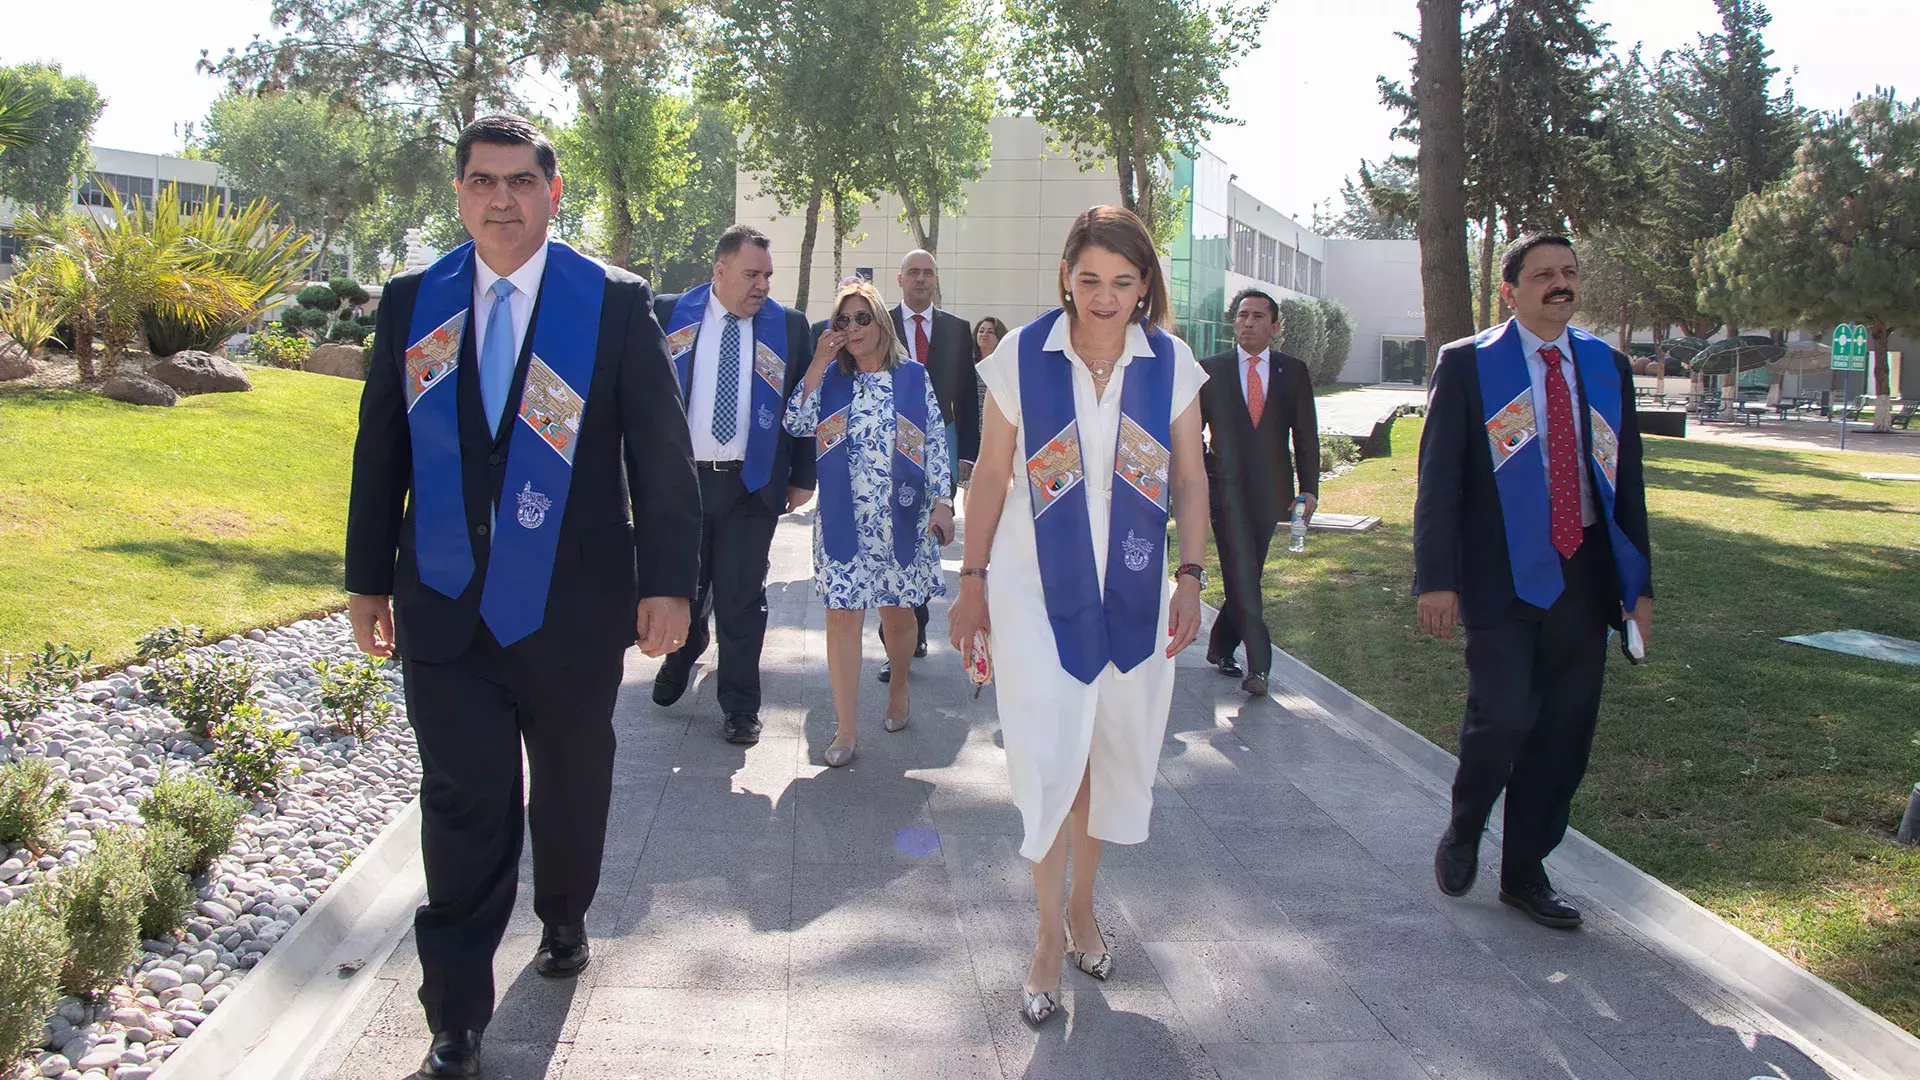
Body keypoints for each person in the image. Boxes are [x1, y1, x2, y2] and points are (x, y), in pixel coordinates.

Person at [345, 115, 699, 1079]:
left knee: (573, 783)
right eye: (480, 182)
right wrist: (366, 577)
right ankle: (456, 1011)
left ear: (551, 191)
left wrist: (670, 587)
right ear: (459, 194)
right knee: (462, 796)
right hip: (447, 604)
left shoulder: (611, 304)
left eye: (518, 182)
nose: (499, 199)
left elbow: (661, 461)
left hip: (572, 607)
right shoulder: (416, 300)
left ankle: (565, 910)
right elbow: (381, 444)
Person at [947, 206, 1209, 1026]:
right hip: (1035, 592)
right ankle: (1044, 939)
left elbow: (1193, 479)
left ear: (1144, 288)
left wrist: (1193, 575)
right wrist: (972, 581)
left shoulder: (1172, 364)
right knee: (1048, 756)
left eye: (1123, 282)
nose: (1103, 297)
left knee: (1101, 756)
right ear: (1067, 275)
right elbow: (990, 477)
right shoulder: (1021, 357)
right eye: (1089, 279)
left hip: (1132, 593)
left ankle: (1083, 907)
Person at [1416, 233, 1654, 930]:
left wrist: (1638, 590)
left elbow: (1629, 482)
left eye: (1569, 273)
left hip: (1584, 574)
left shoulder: (1606, 366)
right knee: (1505, 715)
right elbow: (1438, 484)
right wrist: (1436, 578)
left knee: (1563, 732)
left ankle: (1525, 873)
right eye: (1544, 274)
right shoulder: (1470, 365)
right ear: (1510, 290)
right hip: (1501, 574)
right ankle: (1466, 826)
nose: (1560, 284)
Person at [652, 225, 818, 745]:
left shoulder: (787, 328)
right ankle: (686, 648)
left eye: (768, 275)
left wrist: (801, 476)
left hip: (751, 485)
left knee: (742, 599)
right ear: (720, 271)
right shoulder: (665, 313)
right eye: (751, 274)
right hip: (683, 485)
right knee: (686, 587)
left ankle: (740, 707)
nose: (762, 285)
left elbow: (803, 404)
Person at [785, 279, 955, 766]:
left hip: (901, 517)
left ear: (881, 321)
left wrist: (942, 500)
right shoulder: (832, 380)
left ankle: (898, 687)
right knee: (840, 617)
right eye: (843, 320)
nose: (853, 328)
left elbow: (933, 443)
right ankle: (846, 728)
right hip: (844, 520)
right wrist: (818, 361)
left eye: (862, 318)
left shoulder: (912, 377)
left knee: (897, 616)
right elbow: (795, 421)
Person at [1197, 288, 1319, 696]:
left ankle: (1218, 646)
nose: (1248, 322)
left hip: (1272, 492)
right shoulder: (1210, 369)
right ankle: (1260, 667)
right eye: (1242, 315)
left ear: (1274, 326)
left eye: (1257, 316)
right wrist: (1201, 470)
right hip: (1224, 491)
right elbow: (1188, 431)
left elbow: (1306, 436)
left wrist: (1309, 490)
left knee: (1246, 573)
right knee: (1241, 571)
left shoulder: (1293, 371)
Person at [876, 250, 977, 683]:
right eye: (913, 272)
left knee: (926, 536)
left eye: (928, 273)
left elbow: (968, 398)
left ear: (936, 280)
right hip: (890, 447)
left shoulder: (957, 329)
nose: (920, 279)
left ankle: (913, 621)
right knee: (894, 535)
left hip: (942, 443)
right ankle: (897, 637)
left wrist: (968, 454)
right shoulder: (880, 325)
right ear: (899, 279)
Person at [972, 316, 1009, 450]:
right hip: (971, 428)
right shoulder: (967, 366)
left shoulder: (1006, 367)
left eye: (990, 332)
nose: (984, 335)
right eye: (981, 331)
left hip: (997, 429)